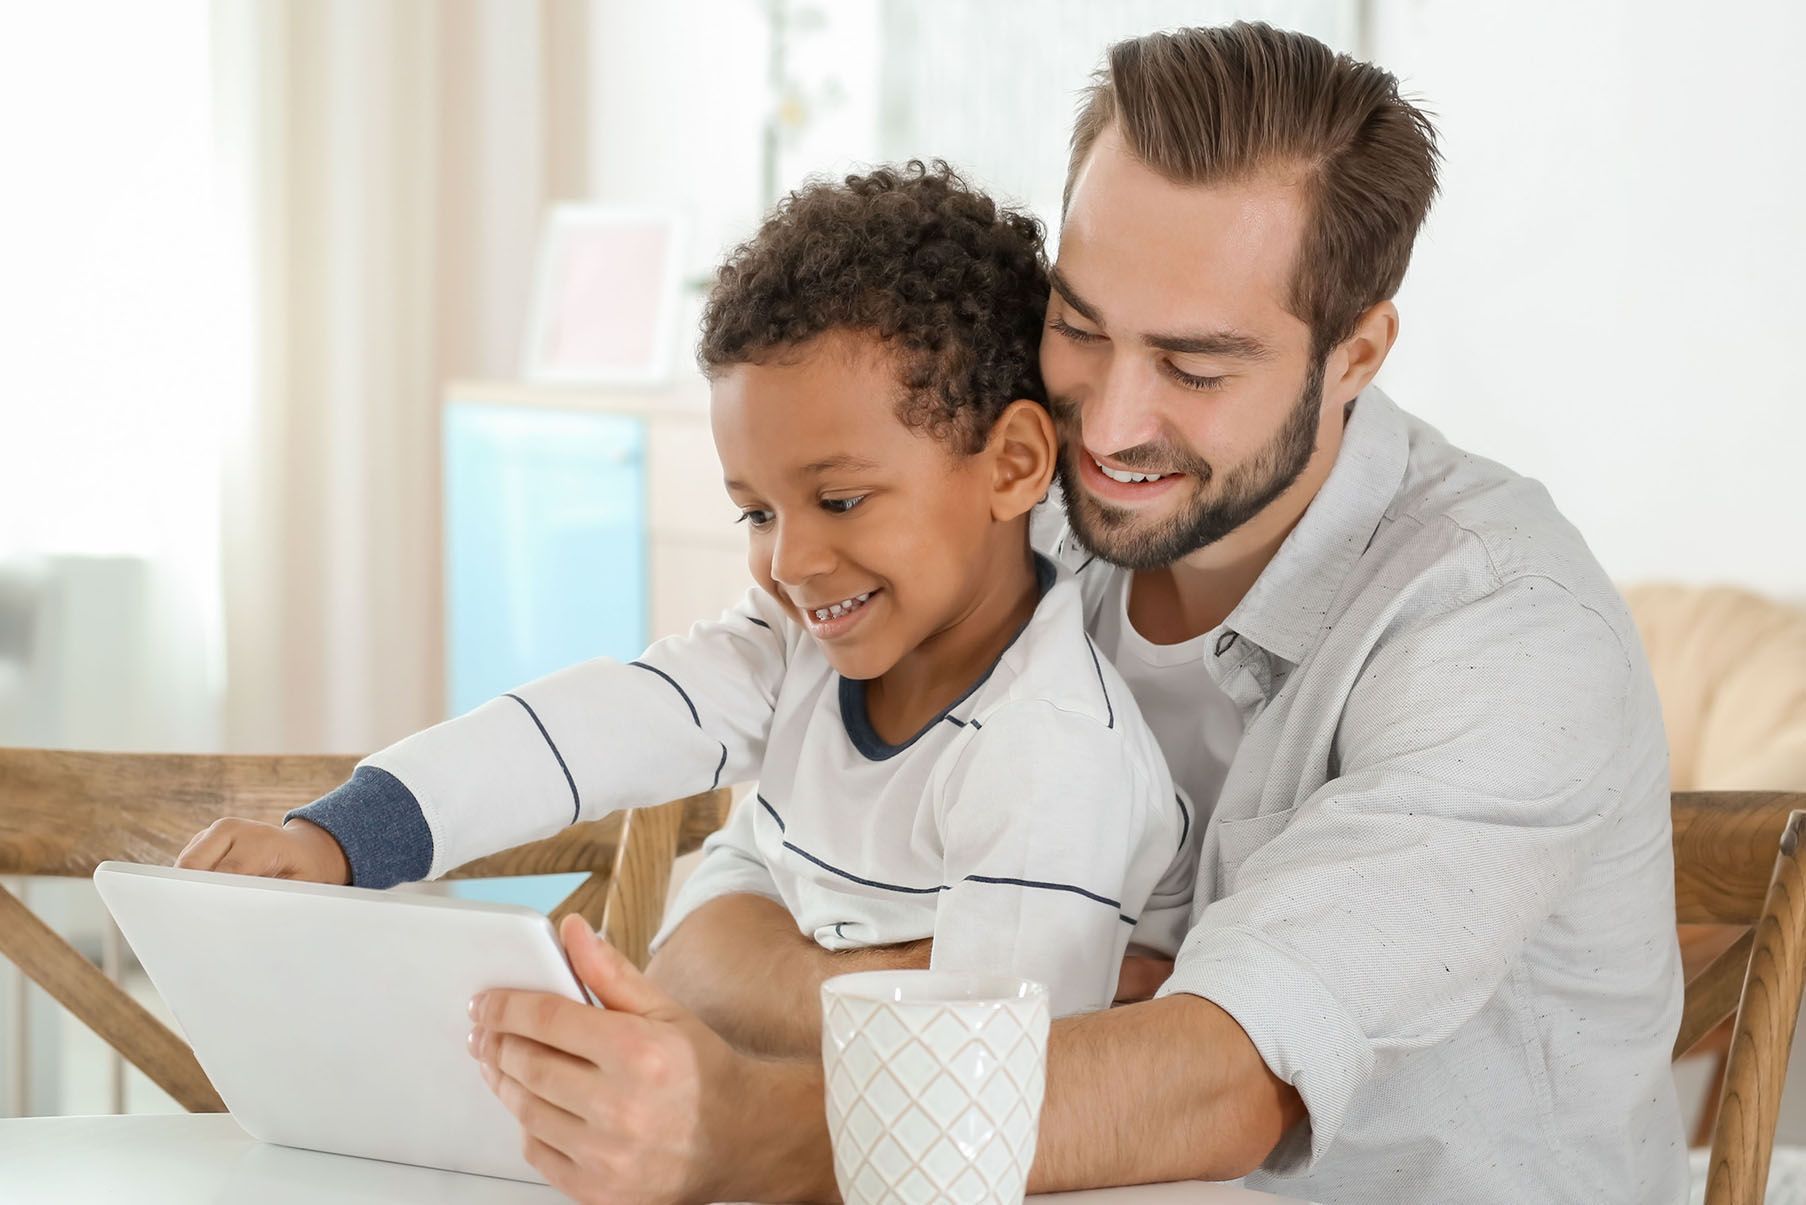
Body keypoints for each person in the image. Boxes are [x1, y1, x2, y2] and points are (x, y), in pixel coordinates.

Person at [459, 22, 1687, 1205]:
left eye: (1196, 367)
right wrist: (1026, 998)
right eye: (1081, 328)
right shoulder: (1017, 503)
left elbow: (1219, 1081)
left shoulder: (1503, 632)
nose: (1104, 429)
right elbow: (717, 930)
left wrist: (754, 1128)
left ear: (1356, 353)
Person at [176, 162, 1199, 1021]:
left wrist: (740, 1004)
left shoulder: (1050, 752)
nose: (789, 561)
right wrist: (338, 837)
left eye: (839, 499)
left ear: (1014, 463)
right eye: (756, 512)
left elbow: (979, 1080)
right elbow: (581, 731)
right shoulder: (795, 648)